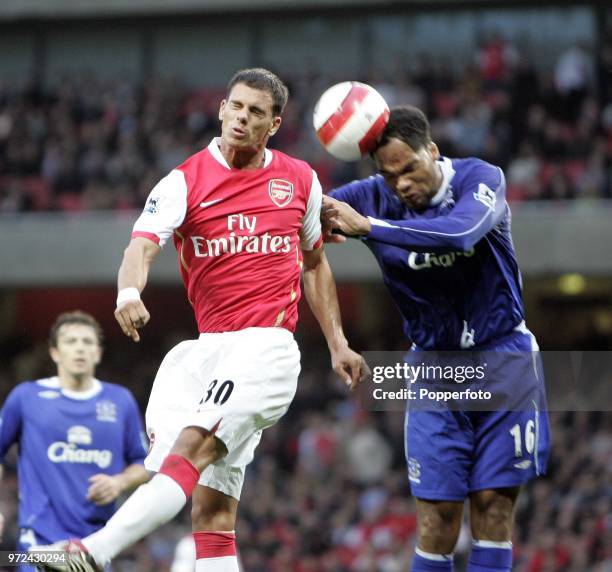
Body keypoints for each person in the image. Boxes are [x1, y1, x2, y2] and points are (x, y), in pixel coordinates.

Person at [41, 68, 366, 571]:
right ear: (221, 108)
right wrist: (129, 290)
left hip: (266, 349)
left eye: (256, 112)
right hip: (207, 350)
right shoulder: (184, 181)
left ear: (273, 124)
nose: (242, 118)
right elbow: (141, 246)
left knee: (190, 450)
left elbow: (315, 263)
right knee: (212, 513)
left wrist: (338, 343)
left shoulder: (300, 179)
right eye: (236, 106)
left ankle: (91, 553)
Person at [323, 105, 550, 572]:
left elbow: (460, 233)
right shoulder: (372, 195)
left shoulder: (479, 178)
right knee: (437, 522)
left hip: (503, 359)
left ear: (432, 150)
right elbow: (299, 212)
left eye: (409, 168)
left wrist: (369, 227)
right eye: (390, 176)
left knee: (493, 510)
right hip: (435, 369)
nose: (402, 183)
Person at [0, 311, 149, 571]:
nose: (80, 348)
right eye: (71, 341)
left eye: (87, 342)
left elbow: (145, 462)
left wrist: (119, 482)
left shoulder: (120, 401)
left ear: (98, 353)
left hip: (95, 547)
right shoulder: (26, 398)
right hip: (39, 543)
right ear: (55, 352)